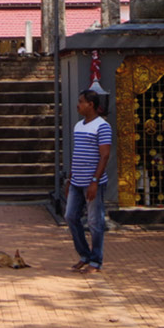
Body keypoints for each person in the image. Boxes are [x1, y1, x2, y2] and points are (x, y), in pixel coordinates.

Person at [64, 88, 113, 274]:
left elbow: (105, 155)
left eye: (81, 102)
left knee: (94, 221)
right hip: (77, 181)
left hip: (93, 182)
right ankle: (84, 255)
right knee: (70, 216)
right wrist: (70, 179)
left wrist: (94, 181)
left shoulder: (102, 126)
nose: (78, 105)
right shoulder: (78, 126)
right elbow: (77, 153)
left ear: (90, 105)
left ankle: (96, 260)